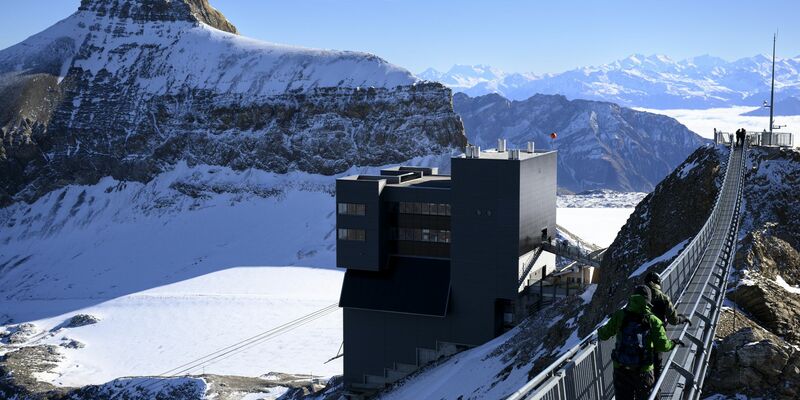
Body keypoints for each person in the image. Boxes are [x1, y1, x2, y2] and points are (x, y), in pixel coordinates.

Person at [598, 285, 685, 400]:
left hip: (621, 369)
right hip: (643, 371)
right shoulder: (653, 320)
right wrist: (673, 343)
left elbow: (603, 335)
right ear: (648, 300)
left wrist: (600, 329)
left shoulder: (620, 315)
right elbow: (662, 345)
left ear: (633, 297)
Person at [643, 272, 690, 378]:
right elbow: (673, 320)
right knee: (656, 367)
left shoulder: (637, 298)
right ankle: (655, 392)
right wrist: (682, 318)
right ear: (658, 282)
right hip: (657, 337)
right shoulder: (663, 298)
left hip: (638, 337)